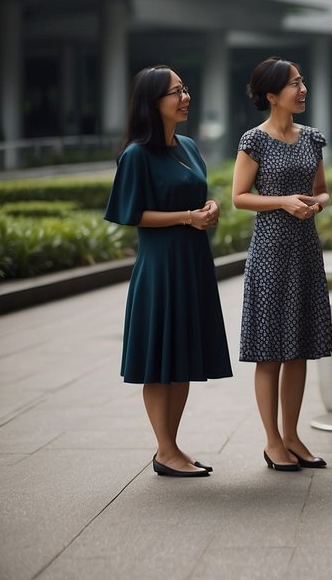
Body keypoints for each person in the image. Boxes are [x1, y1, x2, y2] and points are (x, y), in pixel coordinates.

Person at [104, 65, 232, 477]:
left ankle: (172, 446)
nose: (185, 97)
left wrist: (210, 208)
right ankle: (165, 449)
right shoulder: (137, 154)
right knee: (160, 357)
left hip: (193, 261)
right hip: (161, 267)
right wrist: (185, 218)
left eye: (185, 89)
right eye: (175, 92)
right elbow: (131, 214)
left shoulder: (189, 146)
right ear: (152, 101)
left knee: (182, 355)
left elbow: (196, 195)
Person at [232, 57, 332, 471]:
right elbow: (239, 196)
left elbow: (324, 191)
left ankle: (292, 435)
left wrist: (314, 203)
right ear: (272, 95)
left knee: (300, 350)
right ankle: (272, 440)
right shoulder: (253, 140)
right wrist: (283, 202)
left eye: (302, 80)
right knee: (270, 351)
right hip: (271, 252)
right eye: (294, 83)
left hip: (305, 251)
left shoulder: (313, 138)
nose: (303, 88)